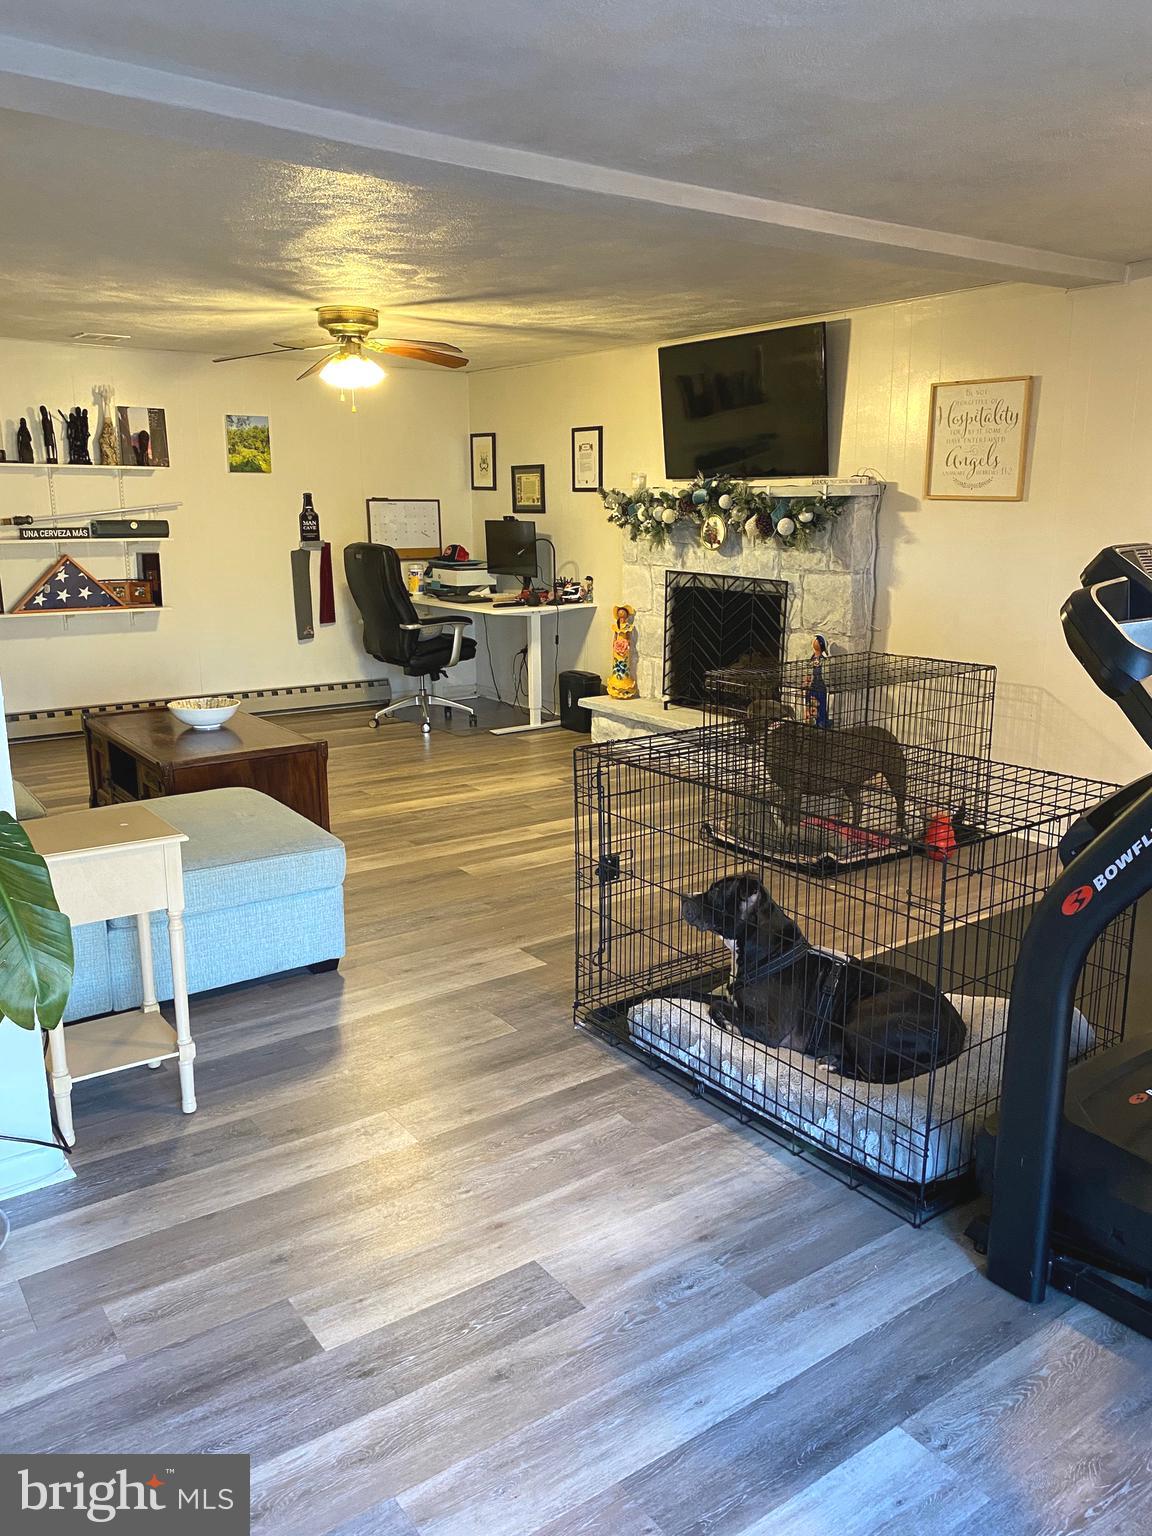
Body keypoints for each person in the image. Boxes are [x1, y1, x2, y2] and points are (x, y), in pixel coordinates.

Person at [803, 633, 830, 728]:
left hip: (820, 688)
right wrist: (806, 681)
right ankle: (810, 724)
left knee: (820, 707)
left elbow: (825, 674)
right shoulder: (811, 659)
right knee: (810, 705)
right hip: (811, 688)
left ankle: (821, 724)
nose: (814, 641)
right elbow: (808, 671)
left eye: (817, 640)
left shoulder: (823, 660)